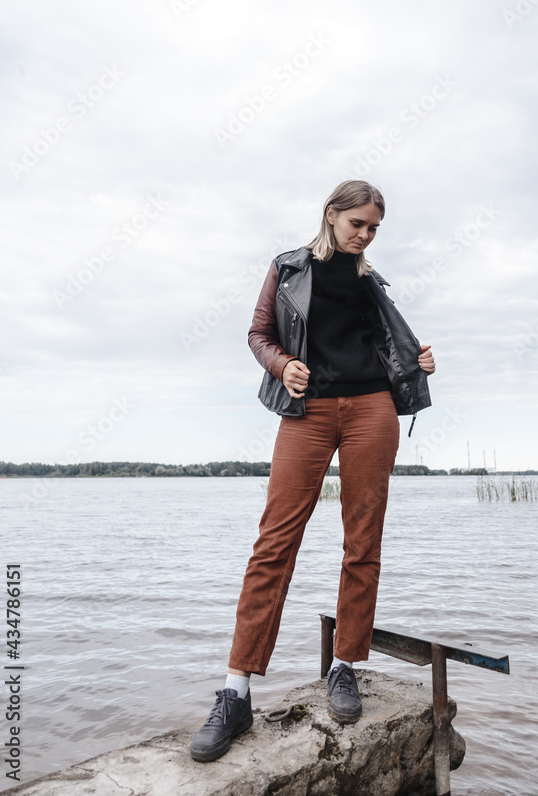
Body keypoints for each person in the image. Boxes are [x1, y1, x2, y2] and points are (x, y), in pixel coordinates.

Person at [190, 179, 435, 762]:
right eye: (358, 224)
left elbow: (390, 346)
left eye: (374, 228)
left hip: (373, 409)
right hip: (308, 413)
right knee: (274, 543)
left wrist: (418, 360)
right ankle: (236, 691)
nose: (366, 235)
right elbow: (258, 334)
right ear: (331, 214)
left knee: (363, 541)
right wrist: (282, 365)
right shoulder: (288, 268)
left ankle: (344, 666)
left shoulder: (371, 282)